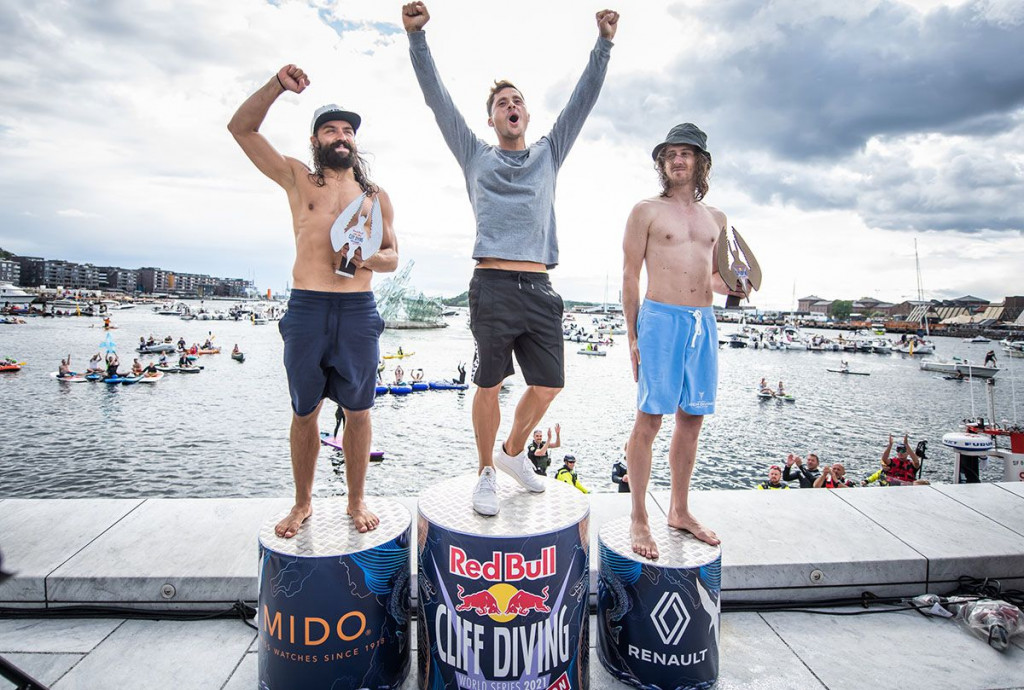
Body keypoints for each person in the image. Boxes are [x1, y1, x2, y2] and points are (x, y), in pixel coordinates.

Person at [403, 1, 618, 516]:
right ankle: (484, 473)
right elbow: (438, 102)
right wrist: (417, 39)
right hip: (493, 285)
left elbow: (581, 103)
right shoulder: (476, 154)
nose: (511, 105)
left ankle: (512, 454)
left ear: (526, 113)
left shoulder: (548, 152)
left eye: (517, 99)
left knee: (549, 384)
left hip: (540, 288)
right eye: (502, 101)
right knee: (488, 383)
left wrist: (604, 44)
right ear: (492, 117)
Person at [229, 64, 398, 537]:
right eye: (330, 129)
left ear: (355, 142)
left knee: (360, 410)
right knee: (305, 411)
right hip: (307, 307)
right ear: (316, 140)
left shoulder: (374, 196)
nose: (341, 136)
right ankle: (303, 503)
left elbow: (393, 255)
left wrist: (364, 259)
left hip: (357, 311)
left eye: (348, 130)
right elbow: (241, 129)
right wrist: (278, 86)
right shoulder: (298, 178)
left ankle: (356, 499)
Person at [622, 123, 744, 558]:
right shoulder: (646, 211)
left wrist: (735, 287)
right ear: (662, 162)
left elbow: (715, 274)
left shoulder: (717, 219)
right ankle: (639, 515)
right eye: (670, 153)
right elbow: (630, 275)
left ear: (701, 163)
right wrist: (632, 335)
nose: (677, 159)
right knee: (650, 419)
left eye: (686, 153)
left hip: (703, 320)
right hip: (659, 319)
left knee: (692, 419)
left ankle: (680, 510)